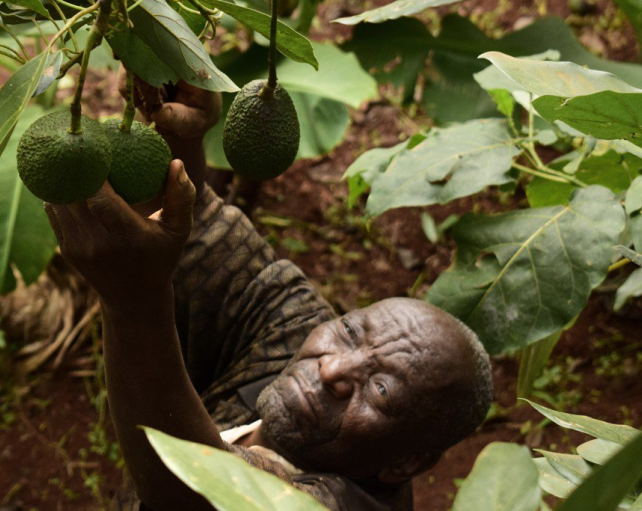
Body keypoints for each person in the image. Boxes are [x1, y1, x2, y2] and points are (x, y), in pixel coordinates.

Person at [43, 76, 494, 511]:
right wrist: (174, 130)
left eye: (379, 391)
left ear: (407, 463)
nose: (333, 367)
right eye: (352, 331)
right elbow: (204, 235)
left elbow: (192, 490)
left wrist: (134, 304)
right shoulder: (299, 328)